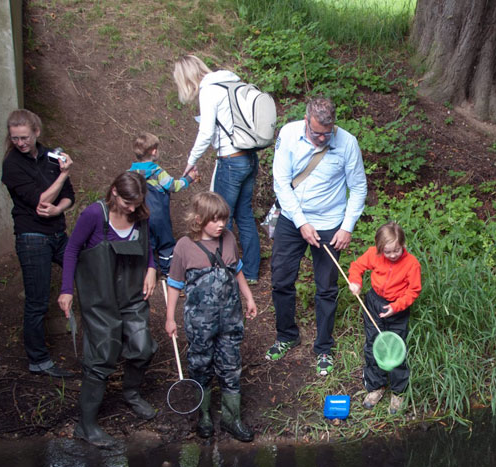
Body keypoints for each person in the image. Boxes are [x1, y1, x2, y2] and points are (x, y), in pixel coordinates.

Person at [267, 97, 367, 376]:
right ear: (306, 120)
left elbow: (358, 188)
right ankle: (286, 335)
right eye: (316, 133)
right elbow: (280, 183)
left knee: (326, 288)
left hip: (329, 224)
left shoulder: (347, 143)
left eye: (327, 132)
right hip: (291, 218)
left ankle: (324, 347)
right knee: (281, 279)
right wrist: (300, 222)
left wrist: (347, 226)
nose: (322, 138)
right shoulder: (288, 134)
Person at [58, 172, 159, 447]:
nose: (132, 208)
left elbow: (148, 248)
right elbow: (72, 250)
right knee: (102, 355)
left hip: (132, 295)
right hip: (100, 298)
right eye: (128, 202)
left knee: (143, 346)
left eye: (136, 203)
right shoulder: (95, 215)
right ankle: (86, 426)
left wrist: (152, 269)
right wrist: (66, 290)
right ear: (114, 191)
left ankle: (131, 393)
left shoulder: (141, 215)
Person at [164, 192, 258, 442]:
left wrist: (248, 297)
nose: (221, 225)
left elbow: (237, 271)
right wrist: (170, 318)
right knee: (200, 365)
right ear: (198, 219)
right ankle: (203, 416)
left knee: (230, 367)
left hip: (230, 319)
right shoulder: (184, 246)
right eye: (215, 220)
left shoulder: (228, 239)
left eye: (224, 219)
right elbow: (174, 284)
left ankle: (231, 418)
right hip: (199, 324)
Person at [173, 55, 261, 284]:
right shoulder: (233, 82)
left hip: (231, 161)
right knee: (244, 215)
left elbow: (205, 133)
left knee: (221, 217)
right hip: (250, 156)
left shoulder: (209, 90)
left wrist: (191, 161)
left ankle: (223, 272)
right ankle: (251, 272)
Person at [1, 109, 76, 377]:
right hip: (32, 237)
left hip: (57, 232)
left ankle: (100, 334)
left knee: (89, 267)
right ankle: (38, 360)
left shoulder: (51, 157)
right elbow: (41, 199)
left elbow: (68, 197)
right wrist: (63, 175)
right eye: (15, 138)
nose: (20, 143)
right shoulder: (12, 165)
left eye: (24, 137)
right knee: (37, 300)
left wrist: (59, 210)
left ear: (36, 133)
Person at [347, 221, 421, 414]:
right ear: (380, 249)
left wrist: (396, 307)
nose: (392, 255)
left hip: (397, 308)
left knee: (396, 348)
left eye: (396, 250)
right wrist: (355, 282)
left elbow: (413, 290)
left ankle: (398, 391)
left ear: (403, 245)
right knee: (373, 344)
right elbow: (357, 266)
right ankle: (376, 386)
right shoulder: (374, 254)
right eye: (387, 252)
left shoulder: (411, 263)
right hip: (374, 303)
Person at [129, 131, 196, 275]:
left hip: (139, 214)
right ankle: (168, 271)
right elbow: (173, 186)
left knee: (147, 242)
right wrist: (189, 179)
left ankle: (148, 271)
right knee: (165, 242)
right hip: (158, 215)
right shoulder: (157, 171)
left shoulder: (130, 172)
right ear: (154, 152)